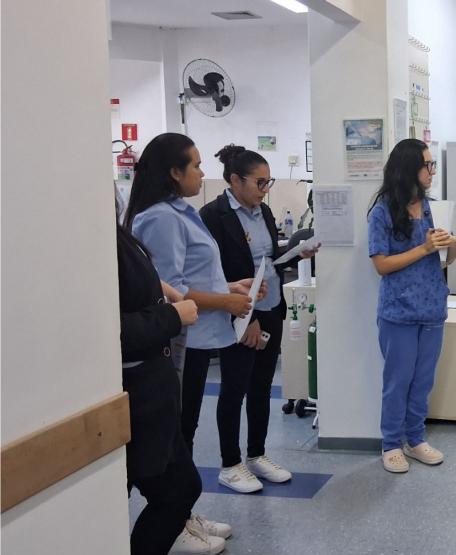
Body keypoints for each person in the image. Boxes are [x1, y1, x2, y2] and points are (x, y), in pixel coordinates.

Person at [124, 133, 261, 466]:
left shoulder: (181, 211)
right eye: (196, 166)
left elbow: (194, 275)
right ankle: (176, 497)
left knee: (187, 424)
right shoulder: (161, 218)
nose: (202, 174)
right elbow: (170, 290)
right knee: (180, 427)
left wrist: (230, 287)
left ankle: (181, 496)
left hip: (200, 334)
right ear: (175, 172)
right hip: (184, 339)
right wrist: (225, 303)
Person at [200, 145, 318, 493]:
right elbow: (214, 271)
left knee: (262, 387)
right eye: (260, 182)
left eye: (269, 182)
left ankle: (256, 454)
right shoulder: (214, 215)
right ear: (236, 180)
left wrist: (297, 253)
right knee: (234, 389)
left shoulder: (262, 211)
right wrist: (245, 316)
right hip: (238, 315)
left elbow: (268, 259)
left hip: (271, 308)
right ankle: (230, 463)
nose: (265, 189)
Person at [117, 218, 229, 554]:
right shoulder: (156, 218)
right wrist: (172, 316)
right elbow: (110, 326)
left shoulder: (117, 233)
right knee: (171, 490)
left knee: (181, 487)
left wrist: (159, 287)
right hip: (136, 393)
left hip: (155, 388)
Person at [367, 138, 456, 473]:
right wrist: (424, 248)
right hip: (399, 312)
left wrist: (452, 243)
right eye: (427, 165)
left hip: (432, 307)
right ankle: (391, 443)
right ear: (408, 169)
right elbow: (381, 265)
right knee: (398, 381)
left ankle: (415, 439)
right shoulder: (382, 212)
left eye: (433, 165)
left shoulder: (434, 208)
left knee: (423, 381)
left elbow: (446, 260)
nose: (432, 171)